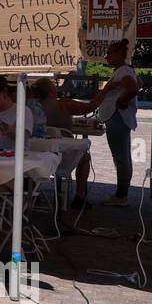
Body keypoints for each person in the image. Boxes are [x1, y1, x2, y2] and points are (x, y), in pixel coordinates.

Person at [86, 39, 141, 206]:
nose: (107, 56)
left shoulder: (123, 71)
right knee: (122, 156)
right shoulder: (124, 70)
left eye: (109, 53)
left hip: (117, 117)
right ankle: (121, 193)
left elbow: (133, 87)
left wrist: (122, 101)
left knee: (120, 157)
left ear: (119, 54)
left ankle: (121, 195)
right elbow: (138, 84)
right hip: (117, 117)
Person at [31, 76, 93, 209]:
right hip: (63, 154)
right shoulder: (63, 104)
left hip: (39, 154)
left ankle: (33, 192)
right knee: (86, 156)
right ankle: (80, 195)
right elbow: (90, 107)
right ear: (52, 90)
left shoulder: (32, 107)